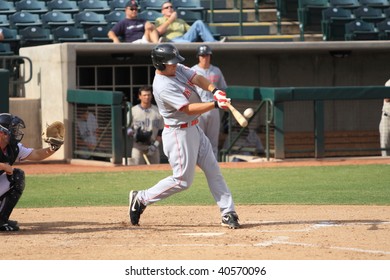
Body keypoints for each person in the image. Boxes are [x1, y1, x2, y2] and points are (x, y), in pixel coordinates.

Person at [128, 43, 240, 229]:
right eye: (171, 63)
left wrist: (215, 91)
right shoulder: (162, 86)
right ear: (160, 65)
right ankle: (141, 198)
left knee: (213, 170)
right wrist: (215, 105)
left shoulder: (176, 68)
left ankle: (228, 212)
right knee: (182, 181)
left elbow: (197, 78)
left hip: (194, 128)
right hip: (178, 133)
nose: (175, 65)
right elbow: (187, 109)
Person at [0, 113, 63, 231]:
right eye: (12, 130)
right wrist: (3, 166)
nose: (16, 133)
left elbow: (37, 154)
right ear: (2, 133)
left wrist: (54, 147)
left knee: (17, 176)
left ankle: (1, 220)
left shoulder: (13, 148)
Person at [191, 45, 227, 159]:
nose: (204, 57)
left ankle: (213, 164)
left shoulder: (216, 70)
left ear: (210, 56)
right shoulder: (193, 71)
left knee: (213, 140)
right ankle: (198, 164)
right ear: (198, 57)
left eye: (206, 55)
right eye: (202, 55)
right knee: (198, 139)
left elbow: (223, 88)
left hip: (214, 106)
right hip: (199, 107)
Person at [127, 86, 164, 165]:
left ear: (151, 96)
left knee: (156, 170)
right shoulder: (133, 111)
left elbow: (161, 132)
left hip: (152, 145)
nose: (147, 97)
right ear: (139, 96)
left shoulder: (158, 111)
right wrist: (133, 135)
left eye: (149, 95)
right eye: (144, 95)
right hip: (137, 146)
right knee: (135, 169)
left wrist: (155, 146)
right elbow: (127, 128)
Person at [155, 1, 225, 43]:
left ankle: (213, 43)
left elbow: (191, 30)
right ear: (162, 11)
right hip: (171, 40)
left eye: (171, 7)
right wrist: (171, 19)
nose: (169, 9)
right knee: (186, 43)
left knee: (199, 22)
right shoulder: (160, 20)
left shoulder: (180, 21)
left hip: (183, 38)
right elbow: (159, 32)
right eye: (166, 7)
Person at [379, 79, 390, 156]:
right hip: (387, 117)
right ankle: (385, 162)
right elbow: (387, 98)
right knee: (384, 143)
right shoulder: (389, 82)